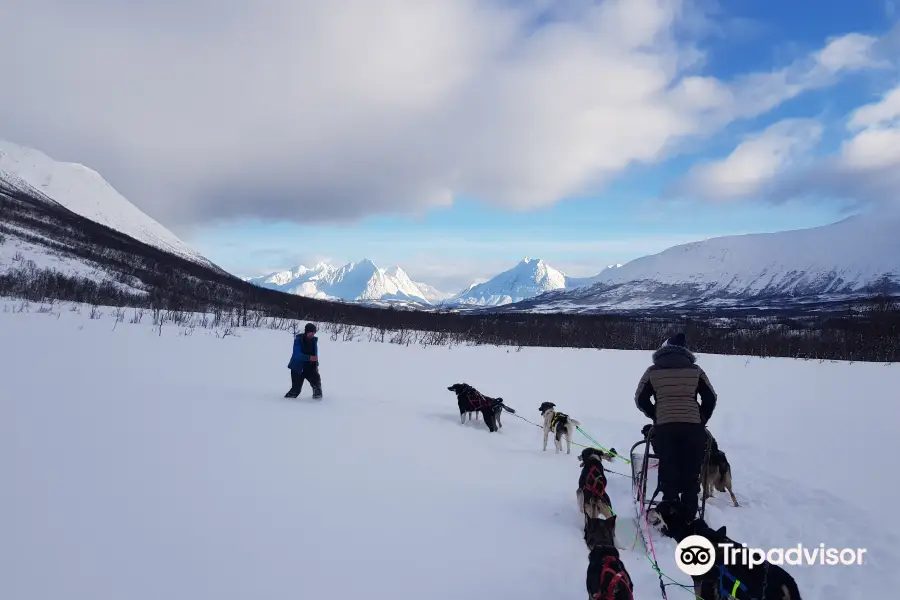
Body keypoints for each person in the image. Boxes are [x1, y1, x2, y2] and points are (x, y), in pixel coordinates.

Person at [633, 332, 716, 520]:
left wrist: (655, 414)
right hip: (693, 429)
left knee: (668, 472)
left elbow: (640, 398)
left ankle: (670, 516)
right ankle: (689, 517)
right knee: (690, 474)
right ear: (686, 351)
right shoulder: (696, 371)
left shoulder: (652, 371)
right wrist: (701, 418)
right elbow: (710, 397)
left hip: (665, 428)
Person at [285, 323, 322, 399]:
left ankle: (318, 404)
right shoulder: (298, 340)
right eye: (311, 332)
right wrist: (309, 358)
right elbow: (297, 355)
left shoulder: (314, 341)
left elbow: (315, 354)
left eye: (314, 332)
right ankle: (286, 404)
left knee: (317, 387)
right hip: (298, 368)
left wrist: (316, 364)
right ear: (307, 332)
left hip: (310, 368)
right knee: (295, 391)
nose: (312, 334)